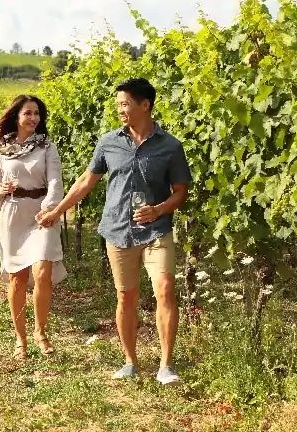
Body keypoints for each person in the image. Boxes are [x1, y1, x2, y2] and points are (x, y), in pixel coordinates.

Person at [36, 78, 191, 384]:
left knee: (165, 289)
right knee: (126, 295)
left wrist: (158, 209)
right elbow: (85, 181)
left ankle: (165, 365)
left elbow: (181, 192)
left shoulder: (171, 147)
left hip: (156, 229)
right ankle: (130, 361)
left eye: (125, 104)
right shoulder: (109, 142)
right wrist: (56, 212)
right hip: (118, 230)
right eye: (118, 104)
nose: (120, 109)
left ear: (144, 105)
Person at [0, 95, 67, 360]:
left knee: (43, 272)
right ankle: (20, 339)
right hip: (13, 215)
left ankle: (40, 332)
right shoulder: (1, 150)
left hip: (42, 214)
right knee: (17, 278)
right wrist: (1, 190)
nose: (33, 118)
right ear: (17, 116)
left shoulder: (47, 147)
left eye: (37, 114)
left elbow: (55, 181)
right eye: (28, 113)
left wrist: (50, 209)